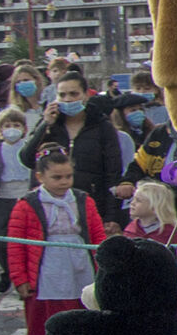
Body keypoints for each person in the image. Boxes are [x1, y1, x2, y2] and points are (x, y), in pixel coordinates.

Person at [6, 146, 108, 335]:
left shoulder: (83, 200)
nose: (64, 182)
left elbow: (97, 234)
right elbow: (15, 245)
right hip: (47, 268)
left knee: (79, 312)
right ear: (40, 177)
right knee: (54, 316)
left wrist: (104, 268)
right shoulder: (26, 205)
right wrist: (20, 278)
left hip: (79, 264)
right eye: (57, 177)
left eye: (68, 176)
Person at [20, 69, 126, 230]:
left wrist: (111, 215)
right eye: (62, 95)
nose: (68, 99)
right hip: (49, 203)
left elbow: (113, 172)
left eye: (73, 94)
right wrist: (45, 124)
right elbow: (27, 158)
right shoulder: (51, 125)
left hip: (90, 202)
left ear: (85, 95)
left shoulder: (102, 126)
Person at [0, 106, 33, 299]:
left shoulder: (29, 147)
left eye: (16, 125)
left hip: (26, 196)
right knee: (0, 241)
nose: (12, 129)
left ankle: (24, 277)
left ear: (24, 128)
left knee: (27, 239)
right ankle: (8, 272)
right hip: (2, 198)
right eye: (7, 125)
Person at [122, 180, 177, 246]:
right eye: (133, 199)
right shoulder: (130, 230)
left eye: (138, 200)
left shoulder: (169, 233)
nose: (132, 203)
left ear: (154, 207)